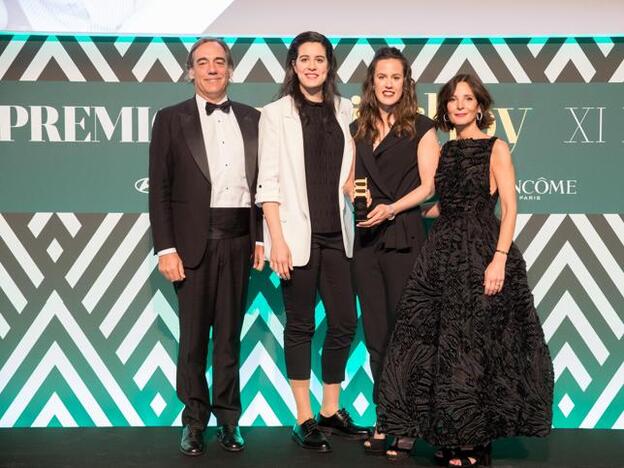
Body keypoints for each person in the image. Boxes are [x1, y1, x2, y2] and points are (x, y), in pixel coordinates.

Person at [376, 73, 554, 467]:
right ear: (445, 107)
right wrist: (401, 212)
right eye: (453, 99)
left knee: (474, 348)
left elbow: (509, 207)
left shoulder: (496, 148)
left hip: (480, 252)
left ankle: (476, 443)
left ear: (480, 106)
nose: (459, 105)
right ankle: (446, 433)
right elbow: (442, 202)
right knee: (434, 344)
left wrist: (499, 258)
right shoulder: (444, 150)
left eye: (467, 99)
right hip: (441, 253)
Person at [149, 37, 264, 456]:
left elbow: (264, 185)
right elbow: (159, 190)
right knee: (194, 339)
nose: (212, 69)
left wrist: (259, 238)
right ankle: (194, 422)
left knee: (230, 338)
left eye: (219, 62)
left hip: (238, 241)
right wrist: (166, 249)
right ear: (190, 70)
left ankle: (229, 422)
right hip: (192, 244)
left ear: (230, 69)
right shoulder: (169, 119)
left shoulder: (253, 118)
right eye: (203, 62)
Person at [255, 31, 369, 453]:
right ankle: (302, 416)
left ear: (329, 65)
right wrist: (276, 240)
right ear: (293, 65)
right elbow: (267, 183)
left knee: (344, 323)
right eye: (304, 59)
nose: (312, 66)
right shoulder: (275, 114)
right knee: (300, 325)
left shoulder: (345, 110)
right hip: (296, 237)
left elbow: (348, 170)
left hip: (338, 233)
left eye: (319, 59)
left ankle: (329, 409)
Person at [348, 46, 440, 456]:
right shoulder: (358, 127)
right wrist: (356, 197)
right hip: (367, 241)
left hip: (404, 234)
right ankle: (386, 417)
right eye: (381, 77)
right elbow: (350, 180)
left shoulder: (421, 126)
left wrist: (392, 207)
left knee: (407, 334)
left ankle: (408, 421)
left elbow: (429, 186)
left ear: (406, 84)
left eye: (395, 77)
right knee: (376, 337)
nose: (388, 84)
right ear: (373, 83)